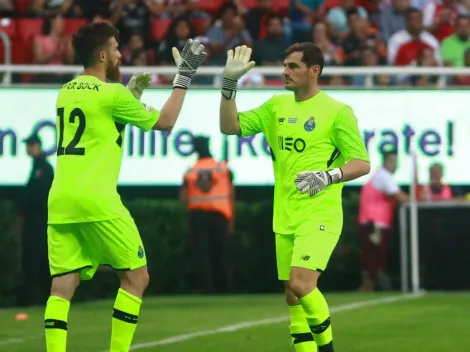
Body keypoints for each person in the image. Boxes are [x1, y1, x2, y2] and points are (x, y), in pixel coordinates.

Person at [44, 22, 206, 352]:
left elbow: (100, 125)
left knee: (62, 285)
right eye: (116, 49)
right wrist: (184, 76)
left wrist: (129, 97)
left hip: (60, 199)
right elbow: (165, 122)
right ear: (102, 54)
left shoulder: (66, 91)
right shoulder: (112, 94)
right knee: (136, 276)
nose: (121, 54)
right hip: (97, 198)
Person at [219, 43, 370, 352]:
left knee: (302, 284)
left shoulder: (338, 112)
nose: (285, 71)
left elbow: (362, 163)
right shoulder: (276, 106)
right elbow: (229, 126)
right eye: (285, 65)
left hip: (320, 214)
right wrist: (229, 86)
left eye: (293, 66)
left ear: (314, 71)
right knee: (292, 293)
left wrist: (328, 176)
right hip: (285, 214)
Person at [179, 136, 235, 294]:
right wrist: (231, 217)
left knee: (202, 254)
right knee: (221, 252)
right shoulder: (222, 168)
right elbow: (231, 193)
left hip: (197, 216)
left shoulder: (190, 171)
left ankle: (207, 288)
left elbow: (183, 197)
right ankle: (225, 288)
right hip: (219, 215)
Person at [358, 151, 409, 291]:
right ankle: (367, 288)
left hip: (376, 223)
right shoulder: (383, 176)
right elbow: (400, 197)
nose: (395, 165)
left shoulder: (380, 176)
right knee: (373, 259)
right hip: (374, 224)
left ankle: (369, 288)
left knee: (376, 258)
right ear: (386, 161)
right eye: (392, 161)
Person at [18, 134, 54, 306]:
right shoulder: (36, 167)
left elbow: (38, 195)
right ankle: (36, 296)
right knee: (32, 258)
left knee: (39, 258)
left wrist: (24, 207)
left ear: (38, 146)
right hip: (34, 221)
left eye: (31, 145)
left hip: (40, 221)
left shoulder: (44, 168)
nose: (29, 148)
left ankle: (45, 295)